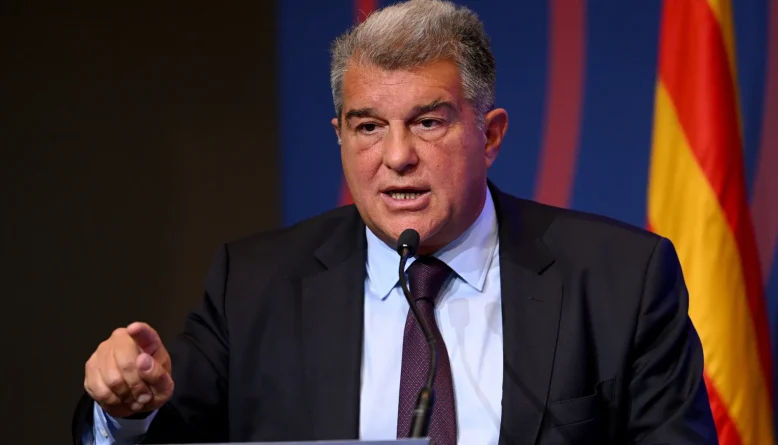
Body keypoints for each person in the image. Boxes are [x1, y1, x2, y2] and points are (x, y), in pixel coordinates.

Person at [73, 1, 719, 444]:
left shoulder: (619, 282)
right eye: (368, 127)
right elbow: (167, 430)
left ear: (490, 135)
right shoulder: (253, 285)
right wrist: (124, 412)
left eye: (428, 122)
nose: (397, 156)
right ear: (339, 135)